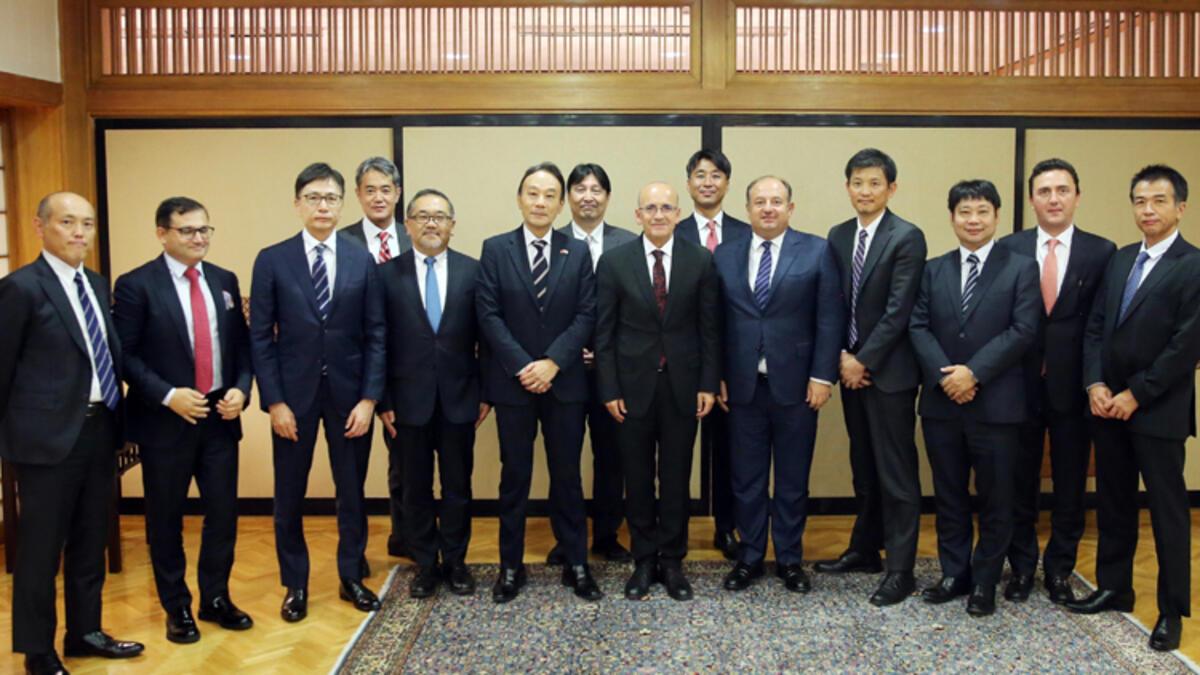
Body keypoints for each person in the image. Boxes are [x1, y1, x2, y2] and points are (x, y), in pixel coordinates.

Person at [0, 192, 145, 674]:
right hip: (45, 440)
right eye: (67, 222)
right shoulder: (21, 288)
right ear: (40, 226)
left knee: (90, 539)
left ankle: (85, 632)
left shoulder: (97, 284)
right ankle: (37, 650)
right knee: (41, 549)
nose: (79, 232)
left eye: (87, 223)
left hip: (99, 429)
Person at [112, 197, 255, 643]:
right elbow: (125, 355)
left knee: (223, 515)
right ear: (162, 234)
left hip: (218, 417)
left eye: (204, 230)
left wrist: (241, 389)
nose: (199, 238)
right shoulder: (136, 285)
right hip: (165, 420)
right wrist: (168, 395)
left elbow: (243, 347)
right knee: (166, 519)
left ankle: (216, 598)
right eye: (188, 230)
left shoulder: (224, 280)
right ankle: (177, 608)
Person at [1070, 164, 1200, 652]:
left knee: (1167, 512)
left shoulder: (1194, 265)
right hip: (1108, 406)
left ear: (1180, 208)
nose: (1148, 210)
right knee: (1114, 501)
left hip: (1158, 410)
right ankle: (1114, 586)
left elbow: (1185, 347)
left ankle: (1171, 611)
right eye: (1140, 201)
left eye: (1159, 201)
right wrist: (1095, 383)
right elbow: (1096, 327)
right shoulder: (1121, 259)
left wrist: (1137, 394)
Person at [250, 163, 387, 621]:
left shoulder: (360, 258)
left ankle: (351, 576)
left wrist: (369, 399)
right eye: (313, 197)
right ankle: (296, 584)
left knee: (352, 492)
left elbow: (376, 333)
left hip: (351, 398)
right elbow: (259, 338)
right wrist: (274, 402)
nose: (322, 206)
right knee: (289, 494)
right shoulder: (273, 259)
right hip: (293, 398)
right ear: (297, 204)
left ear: (342, 204)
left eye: (330, 198)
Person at [908, 179, 1040, 617]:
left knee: (996, 497)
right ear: (952, 218)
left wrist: (974, 373)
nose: (973, 220)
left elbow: (1023, 330)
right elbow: (917, 326)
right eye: (964, 212)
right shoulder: (933, 269)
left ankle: (985, 580)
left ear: (997, 216)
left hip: (997, 404)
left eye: (982, 211)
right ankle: (954, 573)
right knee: (948, 494)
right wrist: (947, 376)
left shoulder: (1021, 268)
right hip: (942, 402)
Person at [476, 161, 601, 603]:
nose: (541, 202)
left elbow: (587, 313)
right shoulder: (496, 249)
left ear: (561, 203)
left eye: (550, 195)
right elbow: (488, 314)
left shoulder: (577, 252)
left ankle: (576, 563)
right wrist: (524, 366)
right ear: (519, 198)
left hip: (564, 384)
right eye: (533, 193)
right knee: (515, 476)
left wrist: (553, 363)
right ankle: (510, 566)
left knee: (568, 476)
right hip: (514, 386)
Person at [714, 176, 843, 594]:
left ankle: (789, 558)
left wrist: (822, 376)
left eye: (776, 201)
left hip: (798, 386)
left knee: (791, 479)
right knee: (746, 479)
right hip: (742, 387)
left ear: (791, 207)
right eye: (759, 202)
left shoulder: (817, 250)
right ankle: (750, 556)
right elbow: (714, 323)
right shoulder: (725, 254)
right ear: (747, 208)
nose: (767, 208)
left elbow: (829, 318)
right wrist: (716, 376)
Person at [996, 159, 1115, 604]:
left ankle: (1060, 569)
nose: (1053, 199)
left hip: (1074, 388)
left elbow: (1101, 326)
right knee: (1018, 482)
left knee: (1070, 485)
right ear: (1032, 199)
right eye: (1044, 191)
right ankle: (1022, 567)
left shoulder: (1101, 252)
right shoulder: (1009, 247)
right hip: (1017, 384)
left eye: (1062, 190)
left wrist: (1096, 381)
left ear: (1077, 197)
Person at [595, 181, 720, 602]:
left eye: (667, 207)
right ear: (638, 215)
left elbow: (710, 329)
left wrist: (708, 383)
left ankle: (672, 560)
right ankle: (644, 559)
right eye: (650, 208)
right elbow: (604, 333)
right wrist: (609, 388)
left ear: (678, 214)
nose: (659, 215)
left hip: (683, 387)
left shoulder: (700, 260)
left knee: (676, 477)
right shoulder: (615, 262)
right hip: (631, 389)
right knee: (637, 478)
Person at [818, 148, 927, 607]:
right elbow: (835, 303)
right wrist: (843, 358)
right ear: (847, 187)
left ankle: (901, 570)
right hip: (851, 371)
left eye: (874, 183)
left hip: (889, 374)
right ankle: (865, 549)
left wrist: (863, 360)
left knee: (896, 473)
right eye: (857, 183)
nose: (865, 191)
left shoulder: (907, 237)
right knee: (863, 467)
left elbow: (899, 310)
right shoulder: (839, 234)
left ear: (891, 188)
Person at [379, 189, 490, 598]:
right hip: (406, 403)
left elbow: (487, 339)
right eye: (422, 216)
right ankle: (426, 563)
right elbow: (378, 342)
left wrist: (485, 393)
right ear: (407, 225)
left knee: (458, 486)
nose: (431, 223)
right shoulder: (385, 275)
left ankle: (456, 561)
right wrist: (383, 401)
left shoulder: (473, 271)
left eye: (440, 216)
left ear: (452, 226)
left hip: (461, 399)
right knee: (415, 488)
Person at [546, 162, 637, 565]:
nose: (588, 196)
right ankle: (566, 538)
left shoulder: (628, 243)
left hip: (613, 371)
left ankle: (606, 534)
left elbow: (637, 310)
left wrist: (603, 352)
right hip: (563, 371)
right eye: (580, 189)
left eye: (596, 189)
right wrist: (567, 351)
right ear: (568, 197)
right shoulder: (551, 242)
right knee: (563, 459)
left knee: (612, 457)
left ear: (608, 197)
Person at [673, 148, 750, 559]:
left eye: (716, 175)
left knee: (729, 453)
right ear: (688, 183)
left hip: (733, 366)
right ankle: (675, 532)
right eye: (700, 175)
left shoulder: (747, 233)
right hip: (680, 364)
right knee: (676, 452)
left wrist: (721, 370)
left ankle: (726, 528)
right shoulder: (671, 230)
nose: (708, 182)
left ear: (727, 183)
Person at [339, 156, 414, 561]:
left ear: (398, 193)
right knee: (351, 472)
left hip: (405, 372)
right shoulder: (341, 242)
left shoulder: (414, 235)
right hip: (355, 374)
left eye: (386, 189)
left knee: (405, 462)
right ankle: (352, 558)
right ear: (358, 195)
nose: (379, 197)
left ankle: (405, 537)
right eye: (370, 190)